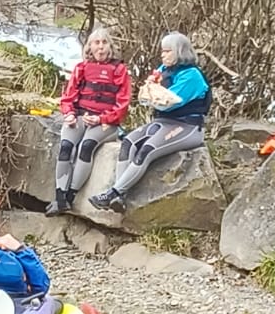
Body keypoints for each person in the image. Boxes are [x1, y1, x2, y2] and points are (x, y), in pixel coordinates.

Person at [88, 31, 209, 211]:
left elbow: (167, 102)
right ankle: (119, 197)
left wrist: (151, 92)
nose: (163, 55)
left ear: (179, 51)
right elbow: (147, 95)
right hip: (163, 122)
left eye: (168, 51)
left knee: (147, 150)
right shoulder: (163, 70)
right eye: (162, 51)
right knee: (129, 142)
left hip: (187, 126)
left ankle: (113, 193)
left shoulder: (191, 76)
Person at [46, 26, 134, 215]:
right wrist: (69, 113)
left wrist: (102, 117)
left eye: (104, 43)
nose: (100, 47)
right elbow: (68, 97)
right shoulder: (81, 68)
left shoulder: (119, 70)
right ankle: (60, 198)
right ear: (89, 47)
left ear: (110, 46)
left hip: (105, 122)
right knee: (66, 147)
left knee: (86, 147)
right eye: (96, 43)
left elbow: (123, 105)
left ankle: (70, 196)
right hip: (80, 116)